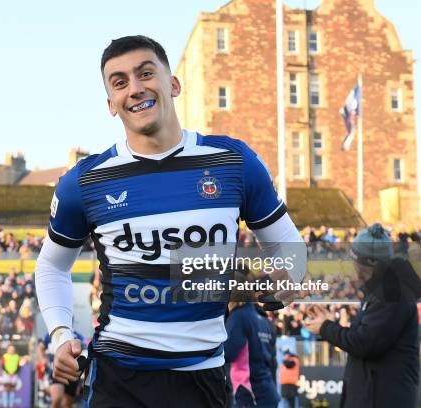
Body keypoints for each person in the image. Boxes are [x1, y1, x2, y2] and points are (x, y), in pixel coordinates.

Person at [35, 35, 305, 407]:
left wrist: (288, 273)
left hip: (204, 379)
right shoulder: (84, 182)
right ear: (111, 104)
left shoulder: (233, 161)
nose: (135, 88)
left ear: (173, 84)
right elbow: (51, 266)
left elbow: (288, 249)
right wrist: (61, 334)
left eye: (146, 73)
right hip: (119, 380)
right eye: (120, 82)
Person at [304, 223, 421, 408]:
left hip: (382, 398)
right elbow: (367, 336)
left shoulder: (391, 293)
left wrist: (326, 327)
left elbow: (365, 343)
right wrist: (330, 322)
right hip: (375, 395)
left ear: (369, 263)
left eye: (355, 260)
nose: (353, 267)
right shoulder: (382, 292)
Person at [224, 273, 280, 408]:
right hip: (267, 391)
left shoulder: (238, 316)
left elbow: (228, 353)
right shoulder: (263, 320)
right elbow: (272, 363)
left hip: (250, 394)